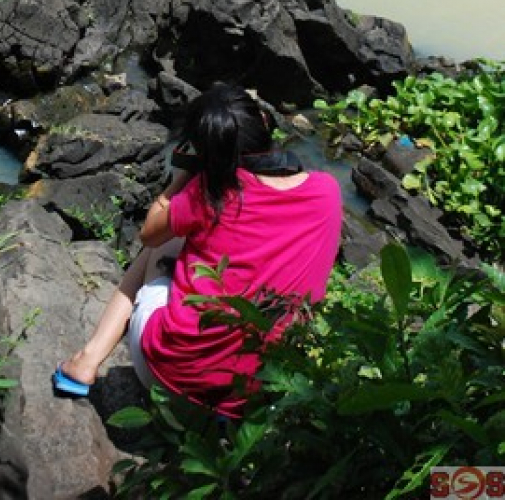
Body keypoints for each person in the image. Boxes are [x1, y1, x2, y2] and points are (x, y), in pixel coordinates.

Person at [52, 84, 342, 419]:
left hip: (171, 378)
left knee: (158, 245)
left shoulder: (211, 192)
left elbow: (149, 233)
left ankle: (85, 362)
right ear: (263, 121)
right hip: (255, 396)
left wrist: (183, 179)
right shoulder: (327, 191)